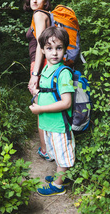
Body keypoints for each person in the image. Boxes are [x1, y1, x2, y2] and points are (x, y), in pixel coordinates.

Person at [29, 26, 75, 196]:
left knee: (63, 154)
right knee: (56, 152)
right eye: (49, 48)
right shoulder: (47, 69)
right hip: (49, 123)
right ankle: (62, 175)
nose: (54, 53)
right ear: (42, 50)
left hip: (59, 125)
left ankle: (58, 185)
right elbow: (49, 92)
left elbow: (66, 102)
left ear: (65, 50)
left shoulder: (63, 72)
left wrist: (40, 108)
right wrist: (37, 94)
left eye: (59, 48)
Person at [23, 0, 52, 161]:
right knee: (46, 103)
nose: (34, 0)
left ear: (44, 1)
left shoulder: (39, 15)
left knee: (40, 106)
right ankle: (51, 146)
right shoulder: (44, 15)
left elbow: (41, 45)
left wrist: (35, 73)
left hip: (40, 65)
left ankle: (45, 149)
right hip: (45, 65)